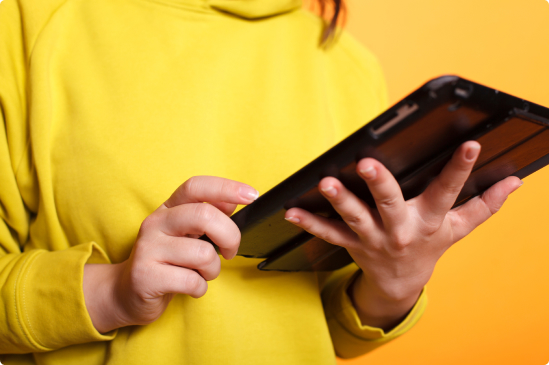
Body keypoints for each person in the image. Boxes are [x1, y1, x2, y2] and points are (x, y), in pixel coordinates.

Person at [0, 0, 521, 363]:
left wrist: (395, 282)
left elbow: (335, 331)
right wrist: (109, 292)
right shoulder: (33, 20)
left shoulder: (348, 64)